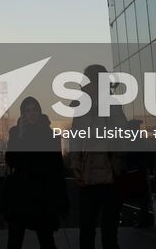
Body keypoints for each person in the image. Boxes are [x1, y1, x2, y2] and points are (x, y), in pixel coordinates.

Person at [68, 65, 125, 249]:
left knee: (109, 231)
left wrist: (116, 167)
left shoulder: (112, 104)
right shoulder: (81, 107)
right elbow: (75, 139)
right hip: (87, 176)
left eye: (89, 80)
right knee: (86, 228)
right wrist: (76, 168)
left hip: (109, 175)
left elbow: (120, 133)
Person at [4, 96, 68, 249]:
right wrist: (19, 137)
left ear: (39, 112)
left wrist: (61, 197)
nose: (32, 113)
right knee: (14, 240)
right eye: (28, 110)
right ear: (23, 114)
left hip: (43, 196)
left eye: (35, 110)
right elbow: (11, 161)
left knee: (46, 239)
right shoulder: (16, 133)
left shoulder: (50, 135)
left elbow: (57, 168)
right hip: (20, 195)